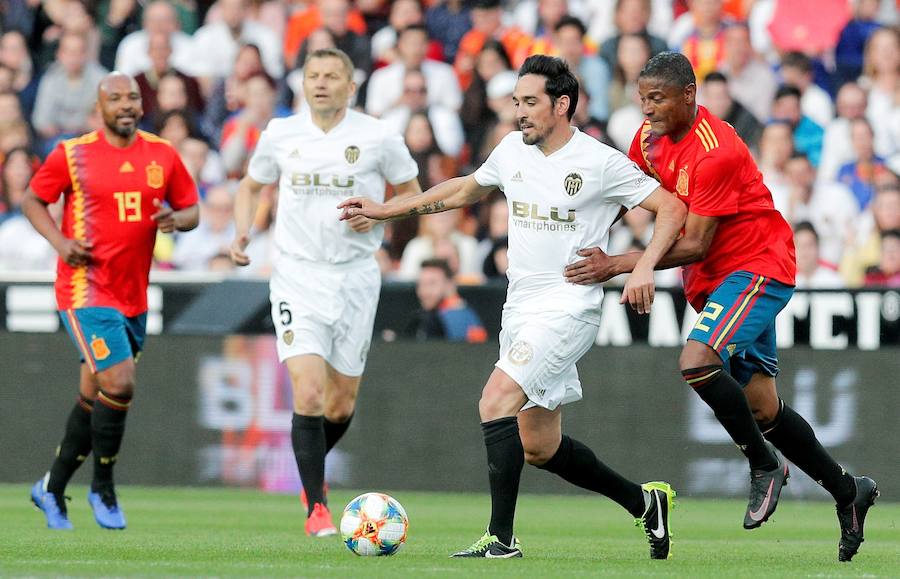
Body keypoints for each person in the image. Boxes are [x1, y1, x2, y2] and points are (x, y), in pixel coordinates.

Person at [339, 54, 687, 559]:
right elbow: (463, 189)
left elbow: (673, 208)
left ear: (562, 104)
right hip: (520, 305)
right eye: (515, 102)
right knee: (539, 446)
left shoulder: (599, 161)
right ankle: (645, 503)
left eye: (530, 102)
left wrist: (636, 265)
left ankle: (500, 540)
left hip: (569, 304)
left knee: (494, 400)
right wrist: (387, 208)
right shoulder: (511, 150)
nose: (519, 112)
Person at [564, 52, 878, 562]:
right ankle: (849, 491)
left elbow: (697, 244)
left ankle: (762, 463)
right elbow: (628, 193)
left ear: (689, 94)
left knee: (696, 360)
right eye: (642, 98)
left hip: (756, 266)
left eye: (658, 99)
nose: (647, 110)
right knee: (762, 407)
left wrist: (621, 264)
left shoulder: (716, 151)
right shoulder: (648, 138)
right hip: (715, 284)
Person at [229, 48, 421, 537]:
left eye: (332, 75)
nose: (321, 83)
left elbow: (414, 196)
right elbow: (250, 187)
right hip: (297, 274)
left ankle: (308, 472)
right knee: (308, 390)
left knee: (339, 404)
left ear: (350, 85)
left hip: (356, 275)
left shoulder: (378, 136)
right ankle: (317, 506)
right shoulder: (281, 133)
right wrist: (242, 233)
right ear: (302, 83)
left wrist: (380, 210)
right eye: (313, 75)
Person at [23, 72, 200, 530]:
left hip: (132, 294)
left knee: (94, 395)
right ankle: (103, 486)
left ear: (143, 104)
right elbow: (32, 200)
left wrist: (175, 220)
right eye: (115, 97)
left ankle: (51, 488)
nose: (125, 103)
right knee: (120, 382)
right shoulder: (73, 154)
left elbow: (192, 210)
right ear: (98, 106)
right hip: (85, 289)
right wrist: (61, 244)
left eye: (132, 97)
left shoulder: (162, 154)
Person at [405, 258, 488, 342]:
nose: (424, 291)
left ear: (450, 285)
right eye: (421, 284)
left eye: (432, 283)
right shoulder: (422, 317)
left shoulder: (458, 317)